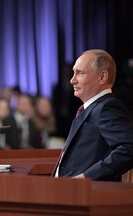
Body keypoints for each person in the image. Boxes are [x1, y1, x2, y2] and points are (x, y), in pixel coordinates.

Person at [52, 49, 133, 181]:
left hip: (86, 194)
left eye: (80, 73)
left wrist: (86, 177)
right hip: (66, 192)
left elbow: (129, 148)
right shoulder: (90, 108)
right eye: (73, 73)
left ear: (102, 77)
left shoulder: (108, 107)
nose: (72, 80)